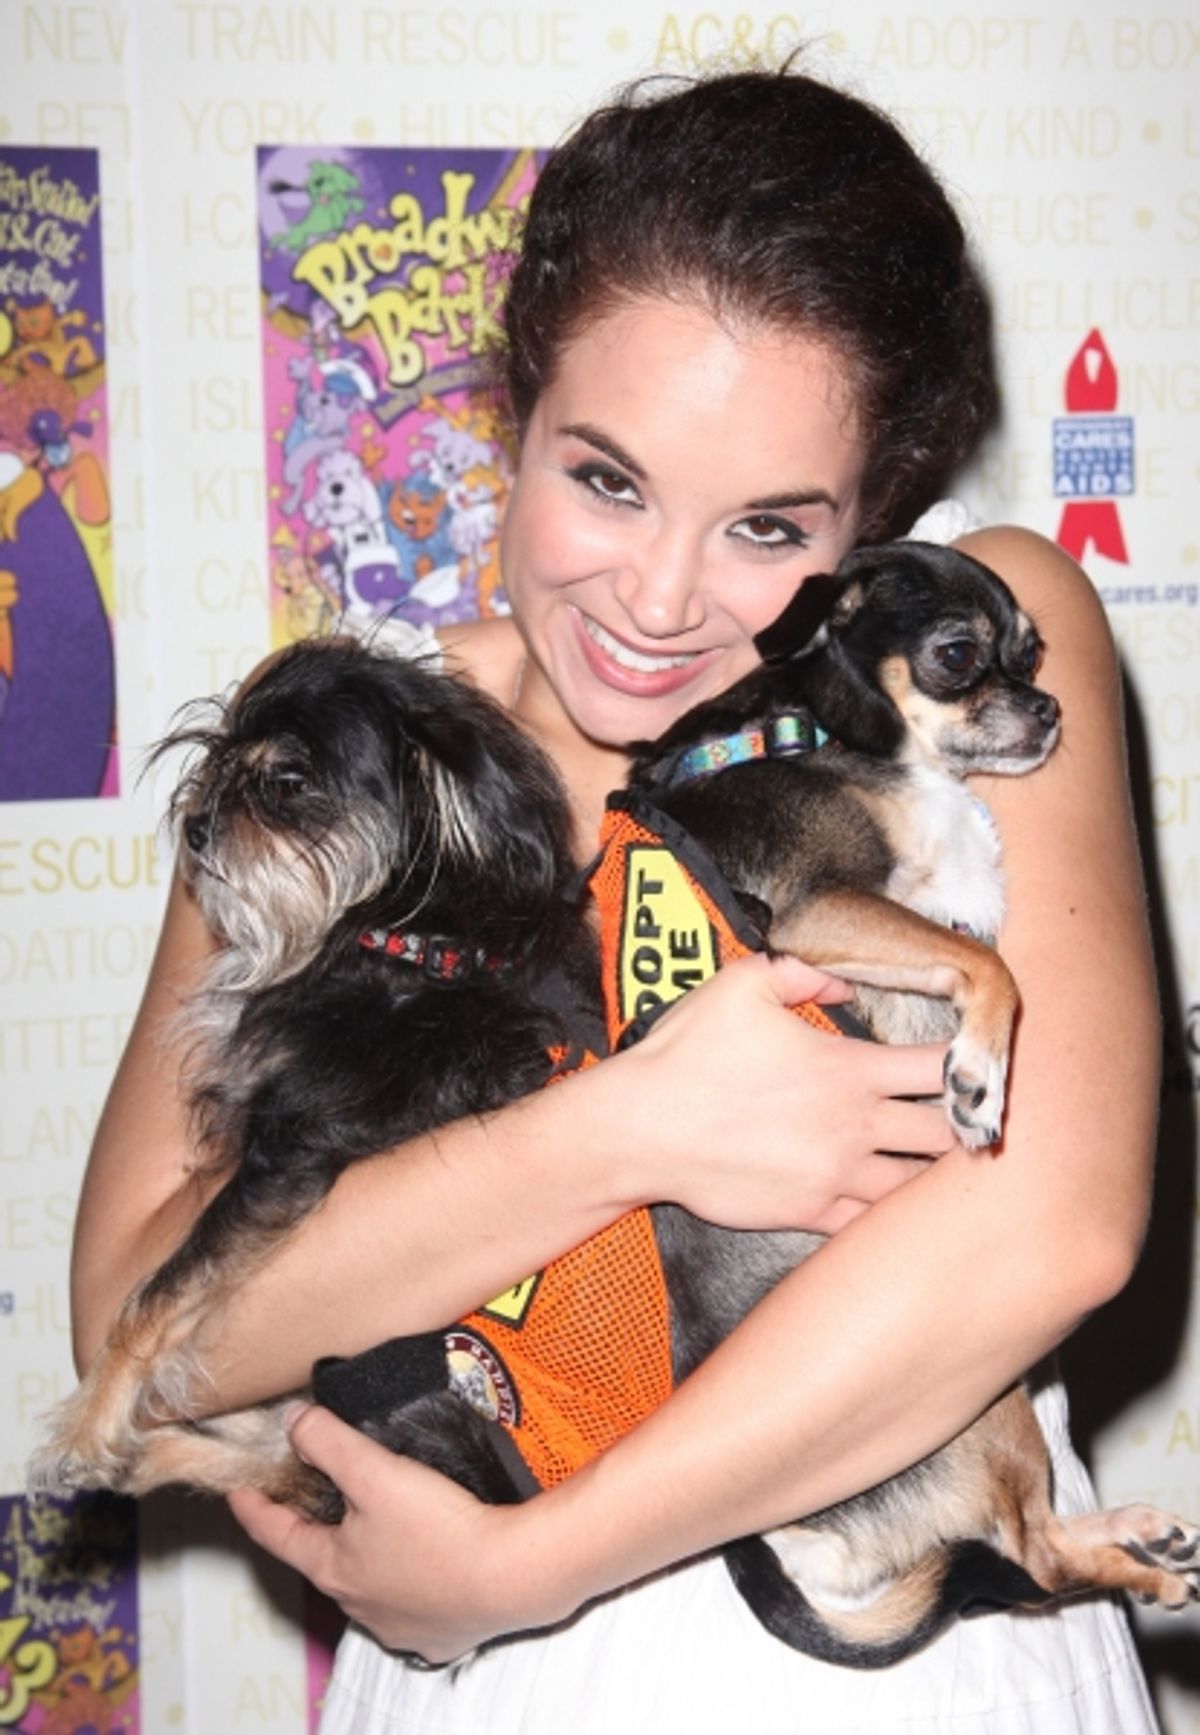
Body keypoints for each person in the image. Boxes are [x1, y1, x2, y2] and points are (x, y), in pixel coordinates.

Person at [71, 66, 1161, 1733]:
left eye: (771, 528)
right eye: (607, 479)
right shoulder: (346, 763)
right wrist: (626, 1132)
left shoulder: (972, 638)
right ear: (515, 414)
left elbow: (1056, 1221)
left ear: (875, 521)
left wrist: (538, 1565)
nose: (658, 601)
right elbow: (149, 1337)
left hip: (908, 1657)